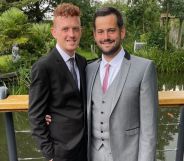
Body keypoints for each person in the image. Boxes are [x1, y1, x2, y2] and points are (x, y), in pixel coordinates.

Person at [86, 7, 158, 161]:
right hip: (92, 155)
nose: (105, 37)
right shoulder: (88, 70)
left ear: (122, 32)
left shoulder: (144, 68)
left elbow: (149, 131)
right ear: (94, 35)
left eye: (111, 30)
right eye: (100, 31)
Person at [28, 3, 87, 161]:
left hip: (86, 149)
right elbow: (35, 116)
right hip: (61, 153)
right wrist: (50, 154)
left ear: (81, 31)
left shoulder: (83, 62)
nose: (72, 34)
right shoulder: (43, 67)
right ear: (54, 32)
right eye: (65, 29)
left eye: (76, 28)